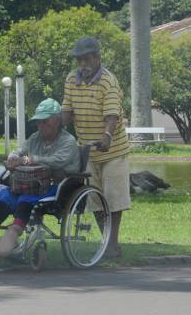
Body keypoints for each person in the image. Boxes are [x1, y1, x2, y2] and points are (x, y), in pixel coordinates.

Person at [0, 98, 80, 257]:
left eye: (44, 121)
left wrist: (28, 160)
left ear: (58, 120)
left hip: (57, 186)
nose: (40, 125)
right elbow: (19, 151)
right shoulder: (36, 138)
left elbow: (57, 161)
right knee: (7, 194)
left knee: (26, 196)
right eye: (38, 122)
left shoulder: (68, 141)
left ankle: (12, 235)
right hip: (32, 183)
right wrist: (12, 160)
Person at [61, 36, 129, 258]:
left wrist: (107, 137)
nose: (83, 64)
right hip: (87, 150)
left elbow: (112, 115)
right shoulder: (72, 79)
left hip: (113, 151)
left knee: (112, 198)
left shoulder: (109, 81)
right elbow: (66, 112)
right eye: (79, 60)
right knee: (95, 198)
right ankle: (107, 243)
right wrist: (55, 133)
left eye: (87, 59)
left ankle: (113, 244)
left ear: (98, 58)